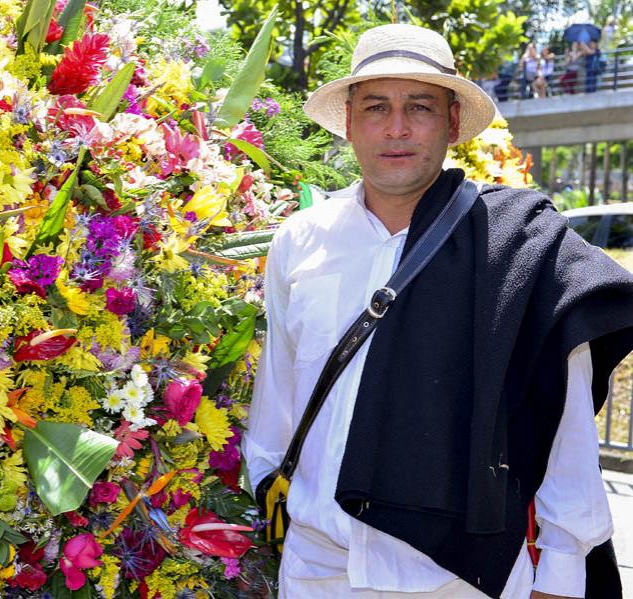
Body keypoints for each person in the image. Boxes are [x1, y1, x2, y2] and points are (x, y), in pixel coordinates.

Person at [244, 23, 633, 599]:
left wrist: (559, 572)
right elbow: (277, 402)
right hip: (317, 570)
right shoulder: (301, 241)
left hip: (460, 578)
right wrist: (274, 503)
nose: (396, 128)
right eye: (376, 106)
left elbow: (565, 421)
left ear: (452, 123)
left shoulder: (516, 246)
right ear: (348, 122)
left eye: (419, 107)